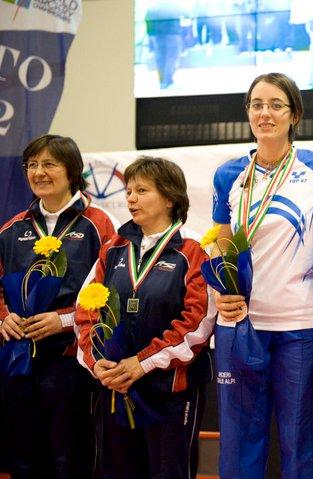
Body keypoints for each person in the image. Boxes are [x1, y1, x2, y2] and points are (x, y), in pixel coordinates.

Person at [211, 72, 313, 479]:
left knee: (302, 440)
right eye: (256, 104)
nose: (264, 113)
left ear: (294, 115)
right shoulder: (228, 174)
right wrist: (223, 291)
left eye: (275, 105)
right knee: (238, 443)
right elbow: (222, 243)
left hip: (299, 325)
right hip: (240, 324)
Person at [75, 156, 216, 479]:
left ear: (169, 197)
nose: (131, 199)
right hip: (116, 387)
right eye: (128, 191)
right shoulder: (113, 248)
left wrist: (142, 363)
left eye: (142, 190)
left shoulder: (193, 250)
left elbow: (197, 323)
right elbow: (87, 310)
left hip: (169, 391)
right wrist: (98, 363)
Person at [0, 134, 118, 479]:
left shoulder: (98, 224)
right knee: (23, 457)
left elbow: (111, 291)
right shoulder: (11, 229)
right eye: (32, 165)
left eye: (49, 164)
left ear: (71, 170)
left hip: (71, 362)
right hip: (18, 361)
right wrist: (4, 318)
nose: (39, 172)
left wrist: (64, 320)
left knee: (72, 458)